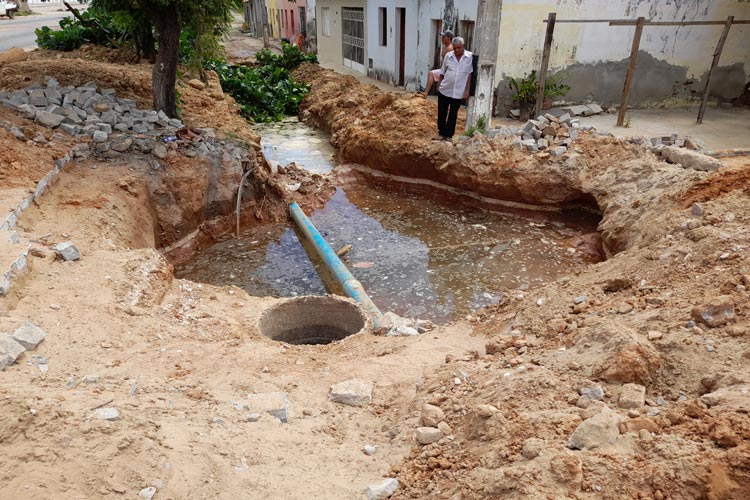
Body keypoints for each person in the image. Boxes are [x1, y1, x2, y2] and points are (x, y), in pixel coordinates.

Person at [434, 37, 473, 142]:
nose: (456, 50)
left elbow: (469, 75)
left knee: (453, 114)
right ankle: (441, 133)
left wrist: (467, 90)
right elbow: (442, 72)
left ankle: (449, 135)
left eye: (458, 48)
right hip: (445, 89)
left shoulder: (469, 57)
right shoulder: (448, 56)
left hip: (458, 91)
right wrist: (439, 85)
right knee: (442, 112)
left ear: (463, 46)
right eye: (455, 48)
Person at [421, 30, 453, 97]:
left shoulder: (449, 48)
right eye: (442, 36)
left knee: (431, 73)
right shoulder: (446, 47)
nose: (442, 38)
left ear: (449, 38)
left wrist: (443, 73)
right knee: (431, 73)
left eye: (444, 36)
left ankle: (426, 93)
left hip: (447, 70)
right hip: (444, 69)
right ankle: (426, 92)